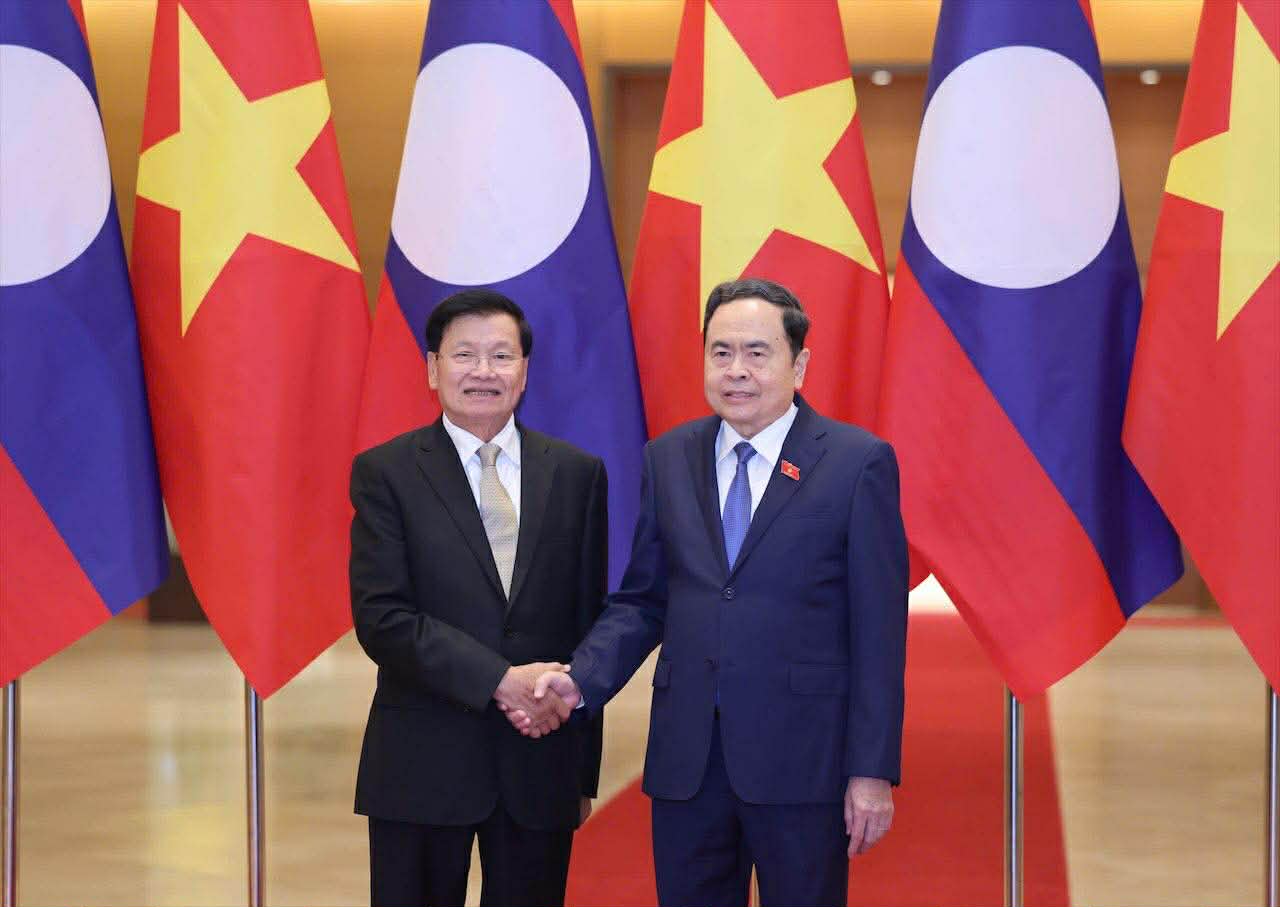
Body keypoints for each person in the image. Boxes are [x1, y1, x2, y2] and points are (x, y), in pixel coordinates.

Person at [515, 278, 908, 907]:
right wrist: (580, 679)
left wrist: (871, 770)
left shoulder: (856, 462)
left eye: (758, 352)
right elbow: (644, 601)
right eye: (720, 352)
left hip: (803, 760)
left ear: (799, 364)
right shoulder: (668, 458)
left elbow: (880, 633)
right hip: (687, 761)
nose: (737, 371)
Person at [349, 289, 606, 907]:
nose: (483, 372)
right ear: (433, 368)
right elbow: (382, 617)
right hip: (422, 759)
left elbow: (587, 621)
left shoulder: (577, 474)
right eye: (465, 355)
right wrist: (499, 680)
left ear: (525, 371)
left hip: (540, 756)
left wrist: (581, 768)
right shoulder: (387, 472)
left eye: (501, 356)